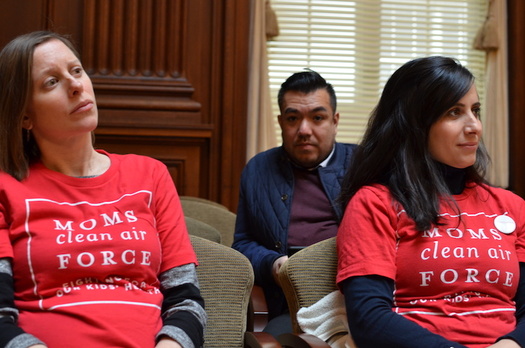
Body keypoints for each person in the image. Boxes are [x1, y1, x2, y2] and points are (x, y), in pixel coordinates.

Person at [0, 31, 206, 348]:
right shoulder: (6, 188)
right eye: (51, 82)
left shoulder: (150, 174)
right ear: (24, 115)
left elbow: (186, 302)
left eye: (77, 70)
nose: (76, 86)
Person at [337, 56, 525, 348]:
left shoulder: (511, 206)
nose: (474, 126)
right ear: (415, 124)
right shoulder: (374, 203)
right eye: (454, 112)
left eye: (475, 110)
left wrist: (511, 345)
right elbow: (368, 319)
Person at [232, 70, 357, 336]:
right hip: (289, 305)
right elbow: (242, 243)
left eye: (317, 118)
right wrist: (272, 263)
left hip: (356, 299)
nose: (304, 130)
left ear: (335, 121)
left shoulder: (364, 165)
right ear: (280, 122)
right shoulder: (258, 170)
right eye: (292, 118)